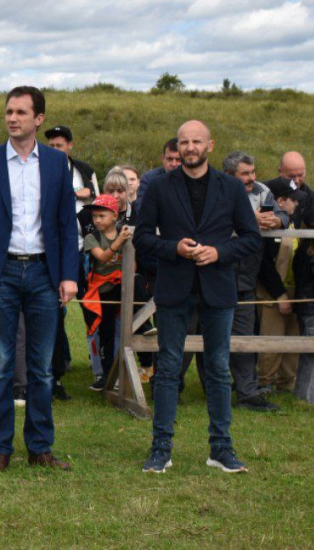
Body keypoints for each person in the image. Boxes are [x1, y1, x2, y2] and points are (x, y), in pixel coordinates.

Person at [134, 120, 261, 474]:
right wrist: (173, 247)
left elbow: (251, 238)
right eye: (184, 142)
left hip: (218, 287)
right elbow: (142, 238)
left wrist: (219, 252)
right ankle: (161, 448)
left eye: (196, 141)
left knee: (219, 370)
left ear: (210, 145)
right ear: (178, 146)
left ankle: (221, 448)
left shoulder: (232, 189)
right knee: (169, 369)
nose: (190, 147)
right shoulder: (159, 187)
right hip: (174, 288)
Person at [0, 86, 78, 474]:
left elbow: (66, 224)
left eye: (20, 112)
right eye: (8, 111)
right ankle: (0, 448)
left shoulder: (55, 163)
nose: (12, 118)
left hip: (46, 273)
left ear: (39, 119)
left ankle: (40, 447)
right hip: (2, 274)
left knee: (42, 368)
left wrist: (68, 275)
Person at [221, 152, 287, 412]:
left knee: (245, 338)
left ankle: (247, 394)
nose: (251, 178)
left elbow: (281, 213)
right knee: (205, 336)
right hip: (216, 276)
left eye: (252, 172)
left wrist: (278, 219)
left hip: (246, 280)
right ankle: (202, 388)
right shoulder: (217, 189)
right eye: (245, 174)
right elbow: (213, 223)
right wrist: (251, 221)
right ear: (229, 176)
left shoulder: (262, 191)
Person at [80, 194, 132, 390]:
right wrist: (118, 242)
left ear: (114, 215)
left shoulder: (125, 233)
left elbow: (133, 262)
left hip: (122, 286)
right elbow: (102, 257)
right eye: (95, 217)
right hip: (101, 291)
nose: (97, 220)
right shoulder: (91, 238)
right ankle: (106, 375)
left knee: (123, 332)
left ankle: (143, 325)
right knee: (105, 333)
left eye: (102, 216)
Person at [258, 177, 304, 393]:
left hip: (296, 291)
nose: (296, 204)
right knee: (272, 337)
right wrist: (280, 294)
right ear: (280, 201)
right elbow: (264, 265)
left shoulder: (295, 223)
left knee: (293, 338)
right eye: (292, 200)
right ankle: (265, 380)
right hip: (273, 293)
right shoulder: (268, 229)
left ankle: (287, 382)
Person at [44, 125, 99, 213]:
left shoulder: (85, 170)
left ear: (70, 145)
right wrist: (75, 195)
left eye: (59, 145)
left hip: (82, 225)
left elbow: (98, 202)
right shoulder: (40, 170)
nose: (54, 150)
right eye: (51, 146)